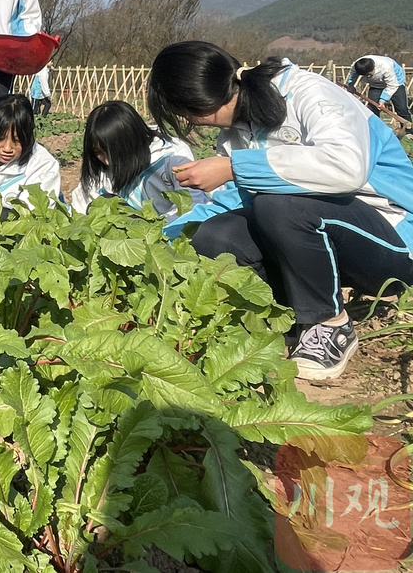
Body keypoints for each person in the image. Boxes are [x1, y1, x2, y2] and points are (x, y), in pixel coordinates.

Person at [147, 41, 413, 381]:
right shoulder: (233, 136)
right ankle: (283, 319)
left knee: (277, 206)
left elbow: (347, 167)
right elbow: (230, 203)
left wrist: (234, 167)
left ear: (191, 109)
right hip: (324, 245)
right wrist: (161, 239)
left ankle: (330, 325)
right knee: (215, 234)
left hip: (394, 241)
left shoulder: (308, 93)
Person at [70, 100, 220, 230]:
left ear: (132, 142)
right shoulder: (100, 166)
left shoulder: (172, 158)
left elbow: (191, 205)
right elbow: (82, 204)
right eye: (98, 152)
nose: (107, 161)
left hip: (167, 232)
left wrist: (150, 231)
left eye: (114, 152)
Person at [346, 54, 412, 134]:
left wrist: (383, 100)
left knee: (402, 108)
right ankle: (375, 130)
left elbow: (392, 85)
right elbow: (352, 76)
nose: (368, 76)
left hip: (396, 84)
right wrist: (350, 85)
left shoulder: (386, 66)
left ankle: (408, 131)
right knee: (372, 108)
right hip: (375, 85)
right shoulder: (357, 65)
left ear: (373, 67)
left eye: (369, 74)